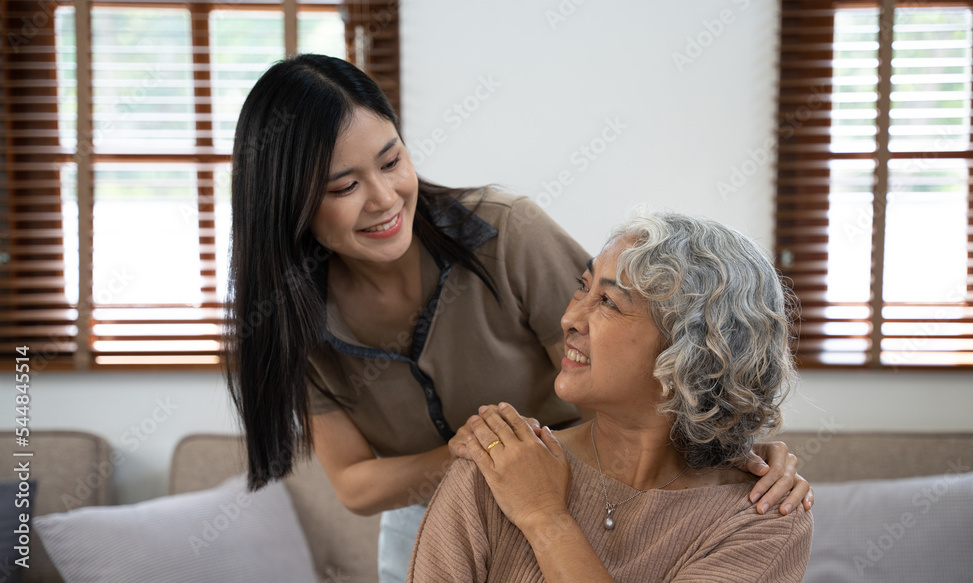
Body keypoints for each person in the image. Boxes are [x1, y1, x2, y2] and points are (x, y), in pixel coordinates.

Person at [224, 54, 813, 582]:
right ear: (288, 205)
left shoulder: (507, 234)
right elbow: (354, 483)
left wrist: (738, 449)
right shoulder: (289, 317)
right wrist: (485, 456)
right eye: (346, 185)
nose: (383, 198)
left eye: (391, 160)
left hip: (573, 485)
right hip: (453, 506)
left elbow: (645, 356)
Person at [408, 213, 814, 582]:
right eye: (581, 288)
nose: (569, 319)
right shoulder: (499, 469)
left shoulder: (762, 517)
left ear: (692, 350)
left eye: (608, 302)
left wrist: (545, 516)